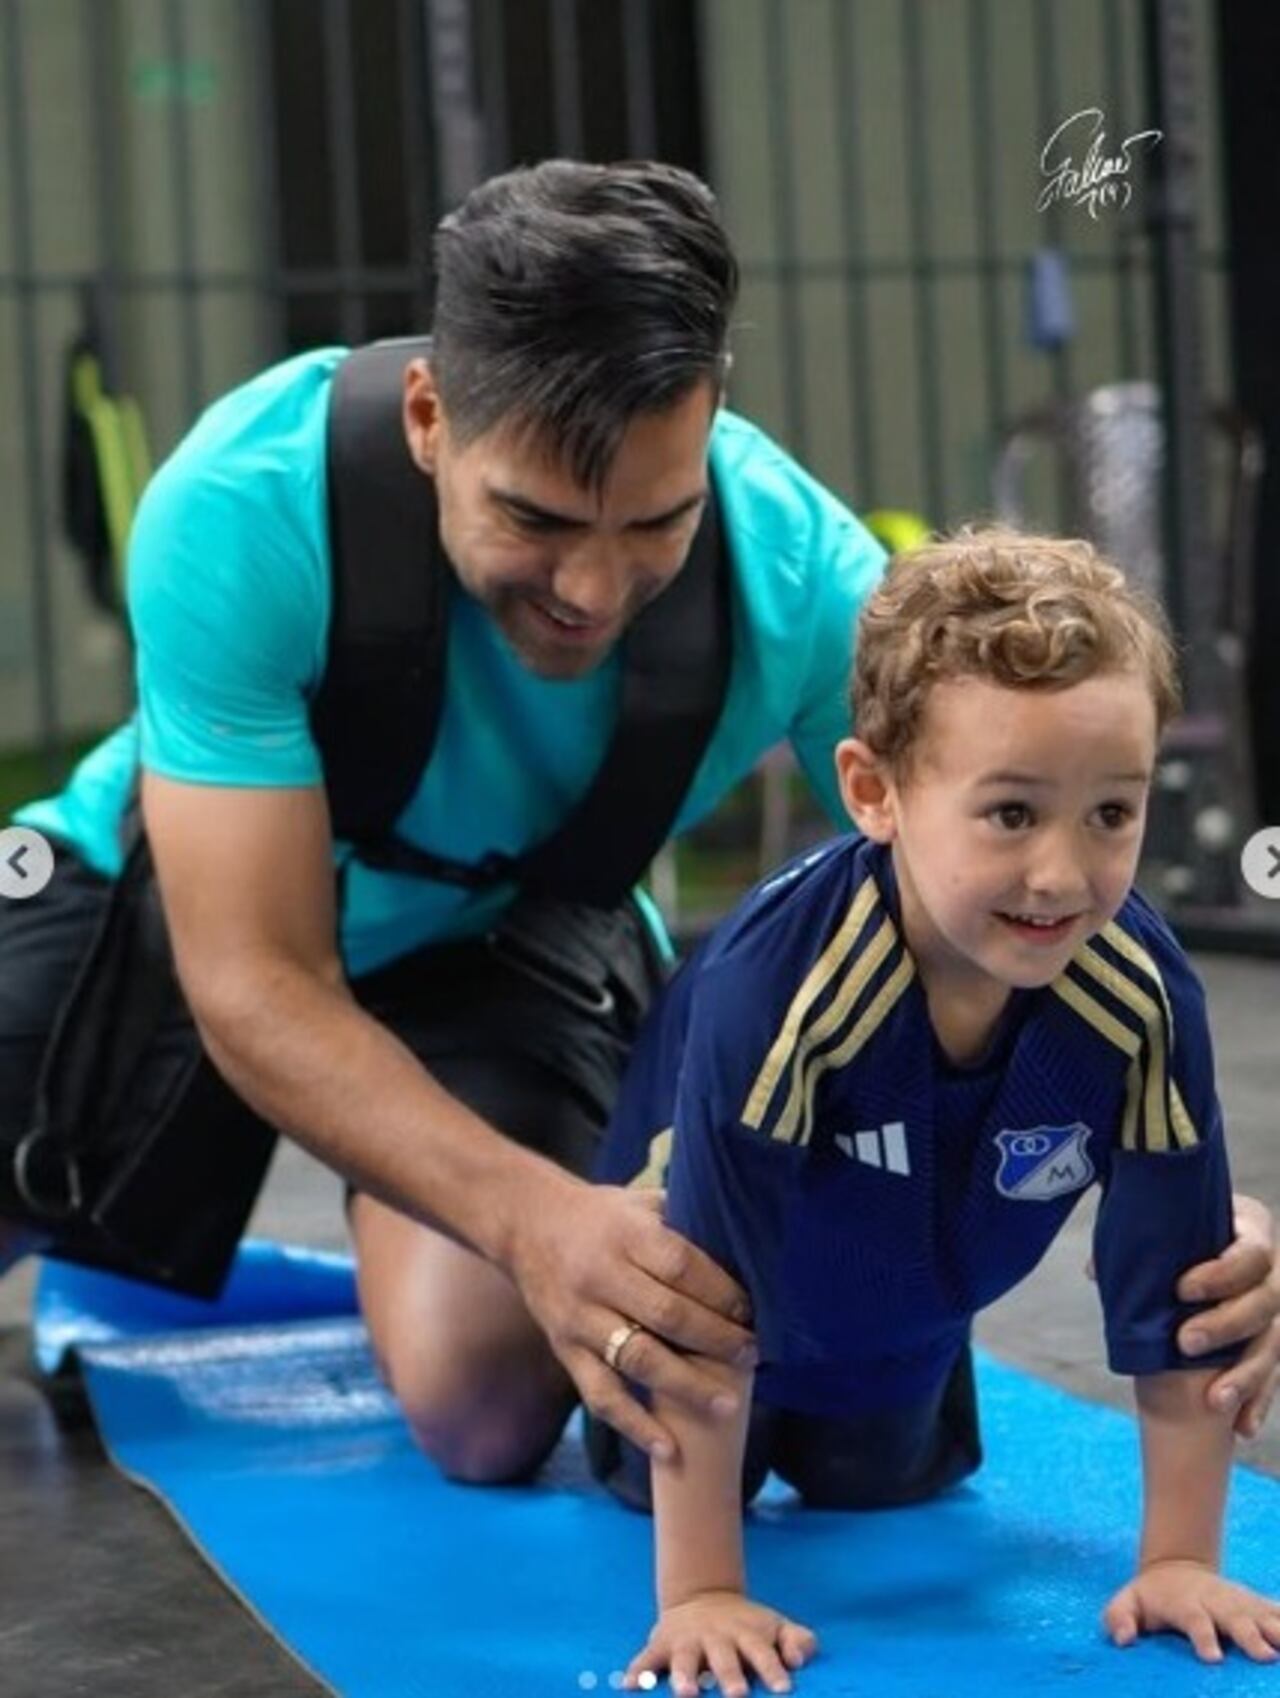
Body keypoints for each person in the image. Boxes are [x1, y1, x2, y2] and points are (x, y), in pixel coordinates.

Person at [1, 163, 1276, 1482]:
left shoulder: (800, 573)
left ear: (712, 423)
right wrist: (535, 1215)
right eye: (536, 520)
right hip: (171, 900)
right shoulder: (244, 505)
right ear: (432, 418)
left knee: (489, 1403)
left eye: (656, 522)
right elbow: (255, 978)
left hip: (500, 944)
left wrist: (1191, 1202)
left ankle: (416, 1214)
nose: (595, 586)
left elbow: (1028, 868)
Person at [589, 530, 1280, 1696]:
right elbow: (694, 1286)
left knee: (883, 1483)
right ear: (874, 792)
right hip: (712, 1308)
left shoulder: (1137, 995)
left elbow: (1187, 1293)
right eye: (1009, 815)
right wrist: (702, 1587)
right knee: (522, 1428)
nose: (1061, 877)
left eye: (1109, 814)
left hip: (897, 1325)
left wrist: (1176, 1559)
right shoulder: (789, 986)